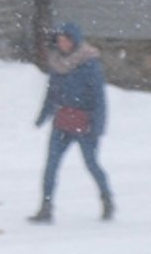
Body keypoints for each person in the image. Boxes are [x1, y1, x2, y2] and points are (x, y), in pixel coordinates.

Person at [29, 21, 115, 224]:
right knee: (51, 165)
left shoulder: (89, 64)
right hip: (62, 121)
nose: (63, 44)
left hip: (85, 124)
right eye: (59, 40)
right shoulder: (57, 63)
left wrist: (97, 126)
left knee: (91, 163)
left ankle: (107, 200)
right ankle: (46, 207)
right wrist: (43, 115)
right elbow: (52, 93)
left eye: (66, 40)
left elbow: (99, 98)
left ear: (75, 41)